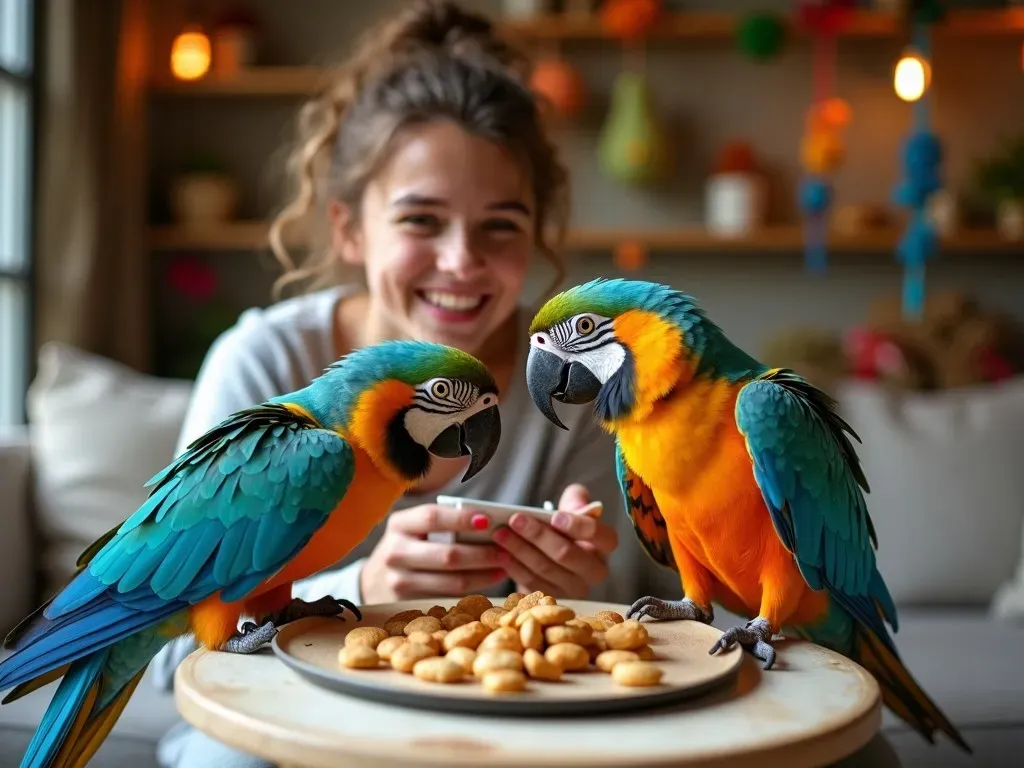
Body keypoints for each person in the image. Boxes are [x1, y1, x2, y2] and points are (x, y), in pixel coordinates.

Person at [150, 3, 665, 766]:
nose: (461, 261)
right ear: (349, 229)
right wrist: (363, 586)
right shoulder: (262, 364)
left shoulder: (573, 382)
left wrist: (587, 576)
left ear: (537, 238)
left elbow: (623, 615)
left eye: (500, 226)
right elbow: (170, 664)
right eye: (422, 221)